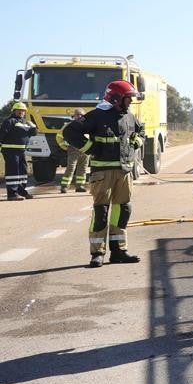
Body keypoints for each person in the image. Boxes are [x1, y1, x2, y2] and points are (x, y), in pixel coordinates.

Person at [62, 80, 145, 267]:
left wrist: (137, 140)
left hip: (124, 172)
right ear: (116, 98)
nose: (130, 102)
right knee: (102, 212)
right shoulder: (96, 116)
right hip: (103, 173)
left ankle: (119, 251)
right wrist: (89, 147)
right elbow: (70, 132)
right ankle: (97, 253)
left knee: (122, 210)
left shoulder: (129, 116)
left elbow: (141, 130)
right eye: (127, 98)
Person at [1, 102, 38, 201]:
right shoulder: (9, 121)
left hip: (21, 151)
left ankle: (21, 191)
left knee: (22, 172)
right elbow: (2, 134)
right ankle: (12, 194)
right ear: (14, 111)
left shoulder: (24, 122)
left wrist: (33, 127)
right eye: (19, 110)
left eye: (23, 111)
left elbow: (32, 134)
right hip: (10, 151)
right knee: (13, 172)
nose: (21, 112)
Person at [56, 108, 90, 193]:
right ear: (73, 116)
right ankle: (64, 186)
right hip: (73, 149)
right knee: (71, 168)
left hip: (85, 150)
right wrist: (64, 147)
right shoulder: (68, 125)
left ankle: (80, 186)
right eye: (77, 115)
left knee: (83, 168)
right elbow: (59, 137)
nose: (79, 116)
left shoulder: (88, 125)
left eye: (81, 115)